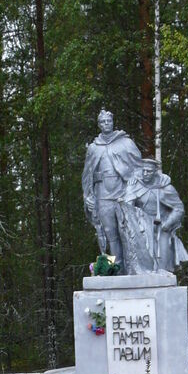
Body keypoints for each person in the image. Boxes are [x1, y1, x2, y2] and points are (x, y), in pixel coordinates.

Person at [81, 109, 143, 264]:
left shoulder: (126, 143)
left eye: (109, 121)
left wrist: (133, 185)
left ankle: (134, 267)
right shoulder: (94, 148)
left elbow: (139, 168)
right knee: (109, 233)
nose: (106, 124)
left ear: (113, 122)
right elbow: (87, 175)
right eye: (103, 121)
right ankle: (116, 267)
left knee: (128, 231)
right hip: (103, 196)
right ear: (99, 124)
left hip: (123, 194)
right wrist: (87, 196)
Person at [122, 158, 188, 273]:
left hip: (162, 223)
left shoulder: (166, 188)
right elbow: (128, 207)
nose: (145, 174)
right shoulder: (135, 184)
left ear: (155, 172)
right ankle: (142, 272)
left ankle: (162, 272)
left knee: (163, 250)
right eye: (143, 170)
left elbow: (179, 208)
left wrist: (168, 224)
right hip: (142, 223)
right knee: (140, 247)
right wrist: (129, 191)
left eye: (149, 171)